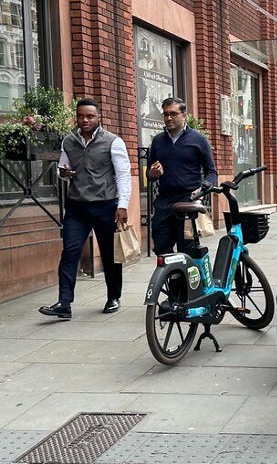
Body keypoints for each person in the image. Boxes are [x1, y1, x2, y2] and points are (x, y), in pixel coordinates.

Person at [39, 98, 131, 319]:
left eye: (90, 116)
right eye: (81, 116)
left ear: (99, 117)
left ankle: (113, 296)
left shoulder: (113, 142)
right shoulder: (68, 141)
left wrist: (123, 205)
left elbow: (123, 175)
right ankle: (64, 303)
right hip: (77, 207)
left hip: (105, 206)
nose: (85, 120)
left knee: (110, 255)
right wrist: (64, 173)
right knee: (70, 252)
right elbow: (63, 169)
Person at [148, 97, 217, 255]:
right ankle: (172, 279)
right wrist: (152, 174)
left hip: (188, 201)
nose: (169, 118)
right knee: (161, 249)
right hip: (164, 202)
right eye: (166, 114)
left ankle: (190, 279)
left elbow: (212, 172)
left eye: (173, 114)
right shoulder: (158, 141)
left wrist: (203, 188)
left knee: (188, 250)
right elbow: (150, 174)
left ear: (184, 115)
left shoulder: (198, 139)